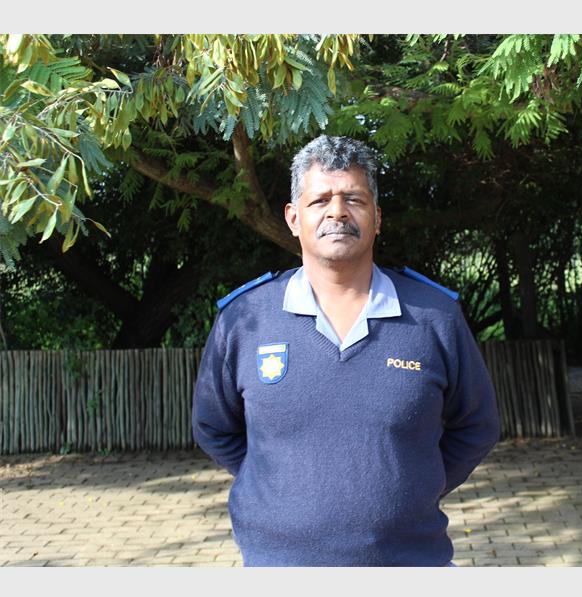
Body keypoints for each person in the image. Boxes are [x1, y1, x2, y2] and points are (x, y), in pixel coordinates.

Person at [191, 135, 500, 567]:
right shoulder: (245, 319)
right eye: (320, 200)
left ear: (377, 217)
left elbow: (477, 425)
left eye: (353, 199)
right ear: (293, 218)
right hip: (278, 570)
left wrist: (413, 486)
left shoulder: (433, 316)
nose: (337, 211)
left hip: (412, 566)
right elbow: (213, 427)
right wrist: (278, 487)